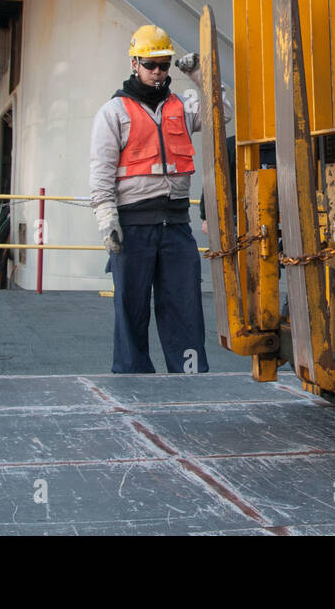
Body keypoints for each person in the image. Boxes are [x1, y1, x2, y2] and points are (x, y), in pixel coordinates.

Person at [89, 24, 231, 373]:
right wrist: (107, 219)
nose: (158, 72)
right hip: (133, 228)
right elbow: (101, 171)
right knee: (131, 308)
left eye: (164, 64)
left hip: (176, 228)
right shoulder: (114, 113)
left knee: (184, 307)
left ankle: (189, 374)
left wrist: (200, 75)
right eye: (151, 64)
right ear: (134, 63)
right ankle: (133, 378)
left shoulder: (182, 107)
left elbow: (222, 112)